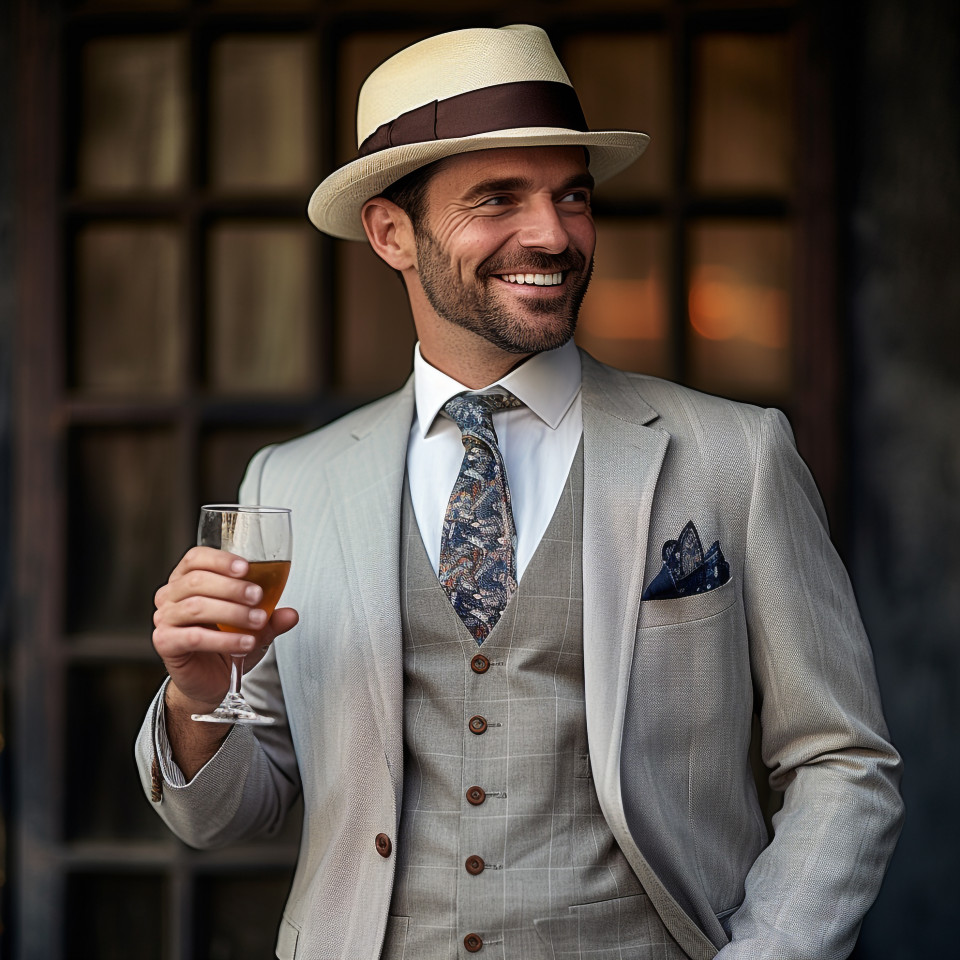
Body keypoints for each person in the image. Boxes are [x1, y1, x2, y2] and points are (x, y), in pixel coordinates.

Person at [137, 24, 903, 960]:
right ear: (391, 234)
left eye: (571, 196)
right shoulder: (294, 482)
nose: (552, 234)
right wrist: (197, 698)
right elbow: (227, 816)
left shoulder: (733, 455)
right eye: (497, 199)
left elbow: (842, 762)